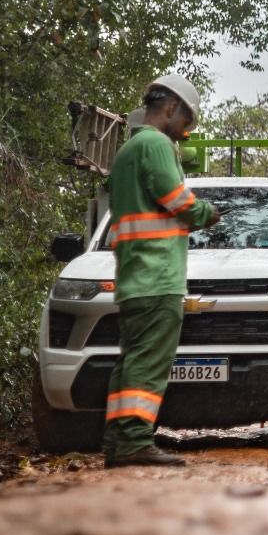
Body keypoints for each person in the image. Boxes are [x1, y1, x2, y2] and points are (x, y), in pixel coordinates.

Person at [102, 75, 220, 468]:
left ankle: (119, 442)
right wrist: (207, 213)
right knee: (148, 364)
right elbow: (177, 201)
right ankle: (135, 441)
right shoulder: (156, 145)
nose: (185, 131)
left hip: (135, 277)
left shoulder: (127, 151)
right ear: (171, 108)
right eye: (186, 121)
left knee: (132, 361)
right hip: (158, 277)